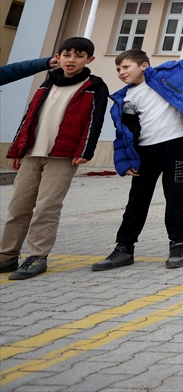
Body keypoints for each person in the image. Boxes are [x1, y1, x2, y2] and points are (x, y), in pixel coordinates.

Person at [93, 18, 183, 272]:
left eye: (126, 66)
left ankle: (177, 244)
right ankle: (124, 248)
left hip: (175, 147)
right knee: (137, 201)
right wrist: (125, 162)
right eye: (118, 69)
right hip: (145, 152)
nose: (121, 72)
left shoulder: (173, 74)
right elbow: (124, 135)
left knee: (176, 198)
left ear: (144, 65)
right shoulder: (125, 98)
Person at [1, 38, 106, 280]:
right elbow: (29, 117)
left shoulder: (94, 86)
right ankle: (7, 256)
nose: (72, 60)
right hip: (32, 153)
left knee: (47, 207)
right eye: (67, 55)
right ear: (58, 57)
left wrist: (85, 150)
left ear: (89, 59)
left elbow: (94, 121)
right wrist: (17, 150)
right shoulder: (47, 82)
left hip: (63, 155)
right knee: (18, 207)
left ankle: (37, 256)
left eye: (79, 56)